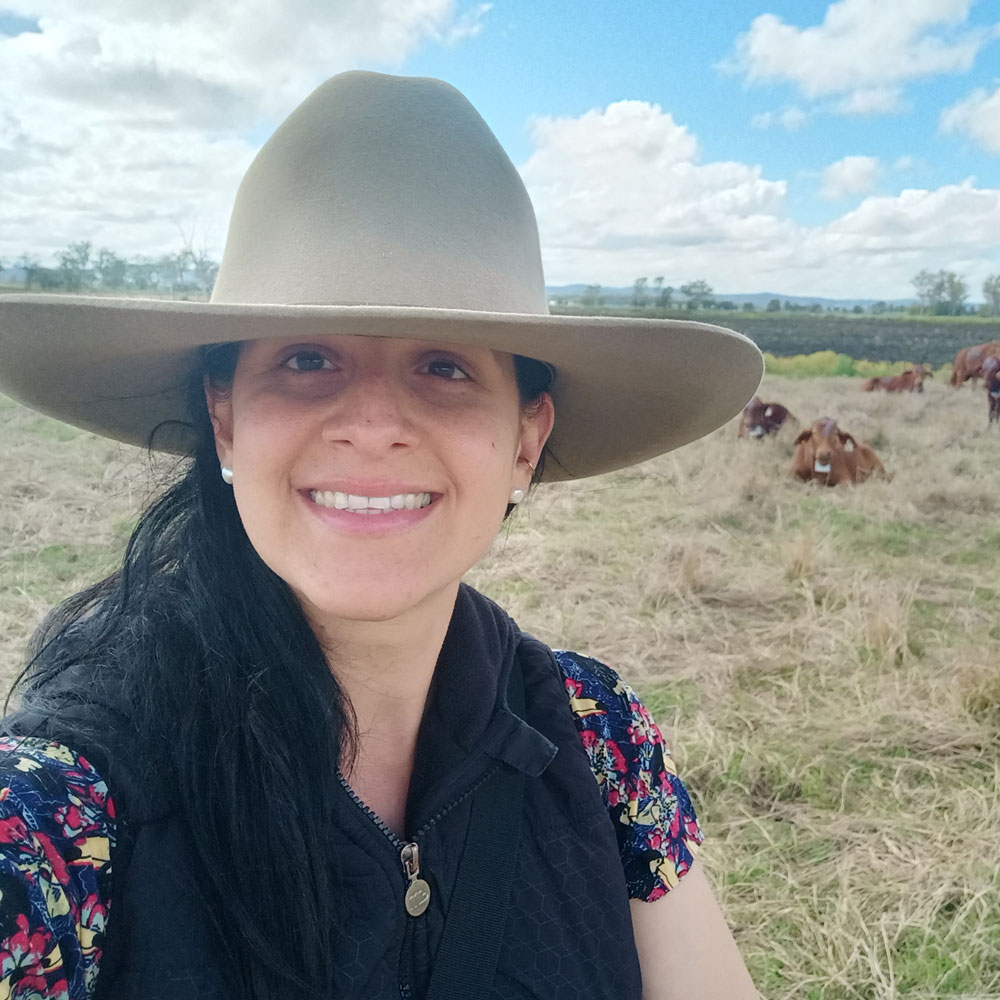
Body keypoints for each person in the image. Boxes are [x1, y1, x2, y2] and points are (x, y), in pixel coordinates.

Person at [0, 71, 763, 999]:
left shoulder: (602, 740)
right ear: (226, 417)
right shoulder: (62, 808)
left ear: (527, 439)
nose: (372, 424)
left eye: (443, 366)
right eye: (307, 359)